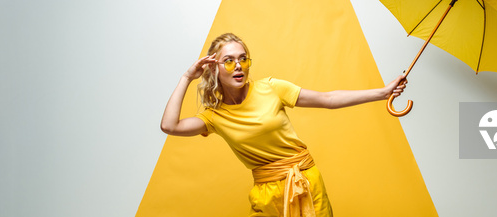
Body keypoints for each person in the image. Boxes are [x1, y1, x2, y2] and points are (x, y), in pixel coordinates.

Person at [160, 33, 407, 217]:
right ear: (213, 68)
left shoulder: (271, 88)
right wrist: (186, 78)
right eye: (229, 60)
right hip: (266, 194)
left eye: (243, 59)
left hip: (305, 182)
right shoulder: (214, 116)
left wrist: (382, 93)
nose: (238, 66)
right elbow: (170, 126)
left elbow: (327, 99)